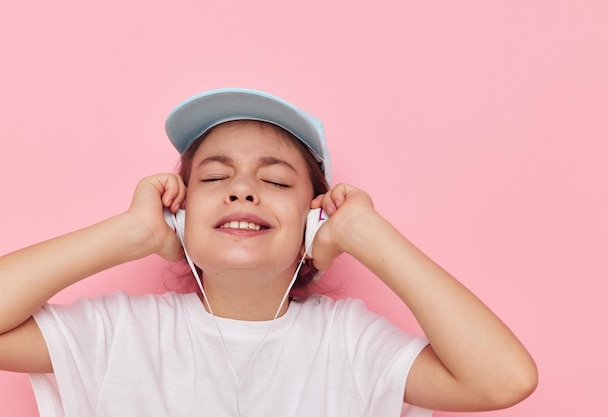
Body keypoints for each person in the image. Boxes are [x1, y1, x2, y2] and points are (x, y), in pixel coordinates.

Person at [0, 88, 537, 417]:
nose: (242, 190)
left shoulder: (349, 344)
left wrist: (368, 236)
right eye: (214, 176)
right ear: (180, 211)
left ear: (315, 216)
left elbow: (503, 380)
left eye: (276, 181)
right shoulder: (118, 334)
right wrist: (130, 234)